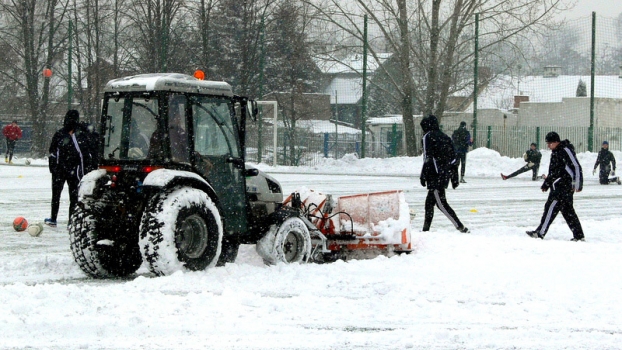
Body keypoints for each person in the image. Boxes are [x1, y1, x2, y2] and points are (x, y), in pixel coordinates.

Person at [526, 132, 585, 241]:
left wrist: (578, 184)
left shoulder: (565, 150)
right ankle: (579, 235)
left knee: (550, 208)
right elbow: (554, 172)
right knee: (568, 212)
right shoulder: (555, 152)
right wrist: (547, 184)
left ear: (556, 142)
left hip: (563, 187)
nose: (548, 146)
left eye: (549, 143)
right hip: (558, 186)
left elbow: (576, 166)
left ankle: (540, 233)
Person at [420, 115, 469, 233]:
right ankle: (425, 230)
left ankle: (460, 226)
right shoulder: (446, 137)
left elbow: (428, 158)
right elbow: (454, 160)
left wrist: (423, 174)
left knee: (441, 204)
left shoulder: (428, 136)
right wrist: (454, 177)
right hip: (444, 174)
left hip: (434, 175)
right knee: (429, 204)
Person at [45, 110, 93, 228]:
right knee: (73, 197)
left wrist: (54, 168)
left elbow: (53, 152)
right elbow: (84, 154)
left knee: (58, 195)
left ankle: (55, 218)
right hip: (72, 170)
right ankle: (70, 220)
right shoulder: (80, 134)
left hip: (63, 170)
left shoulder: (62, 134)